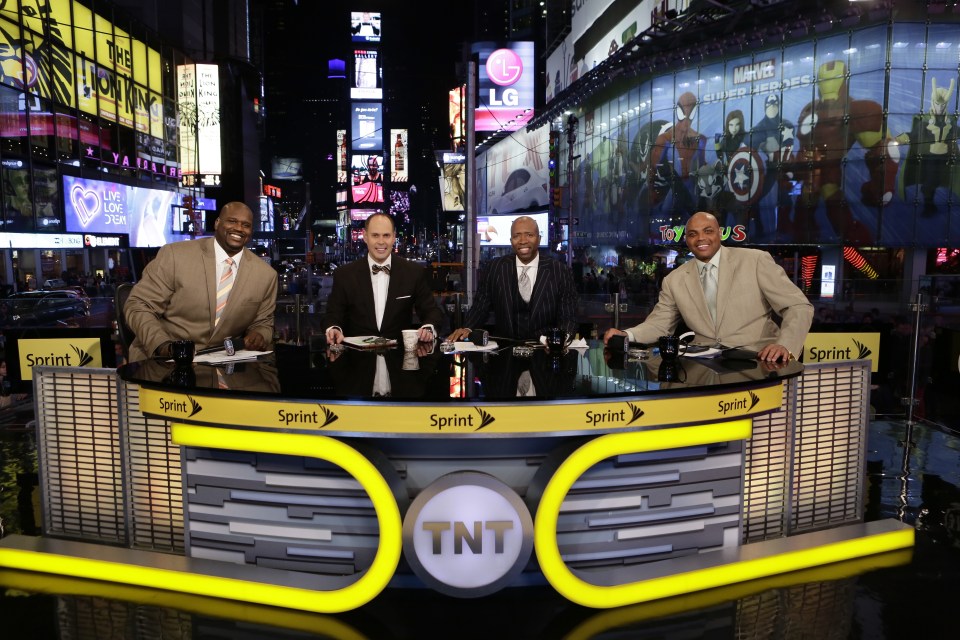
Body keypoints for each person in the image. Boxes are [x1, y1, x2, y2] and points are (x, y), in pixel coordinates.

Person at [603, 211, 813, 363]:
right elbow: (659, 325)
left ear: (719, 234)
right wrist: (626, 335)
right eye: (693, 234)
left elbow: (798, 306)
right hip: (704, 366)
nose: (701, 238)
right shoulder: (674, 280)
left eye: (708, 231)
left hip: (757, 360)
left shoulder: (755, 260)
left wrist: (785, 344)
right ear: (687, 240)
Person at [124, 201, 278, 362]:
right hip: (164, 358)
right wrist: (163, 346)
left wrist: (259, 334)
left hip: (225, 363)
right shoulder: (175, 255)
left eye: (245, 225)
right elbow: (139, 305)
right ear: (217, 223)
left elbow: (264, 322)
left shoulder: (266, 275)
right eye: (232, 221)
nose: (239, 228)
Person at [447, 216, 578, 342]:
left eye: (529, 235)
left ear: (539, 239)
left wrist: (560, 341)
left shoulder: (560, 271)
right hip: (505, 351)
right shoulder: (495, 267)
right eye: (516, 236)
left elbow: (568, 316)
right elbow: (480, 306)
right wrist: (468, 328)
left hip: (545, 352)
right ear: (511, 241)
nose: (522, 240)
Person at [323, 213, 443, 344]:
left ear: (393, 237)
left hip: (399, 358)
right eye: (375, 235)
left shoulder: (413, 272)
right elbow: (333, 314)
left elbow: (432, 311)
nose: (381, 242)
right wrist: (334, 328)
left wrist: (428, 328)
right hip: (358, 359)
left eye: (386, 235)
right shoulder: (344, 275)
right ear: (365, 236)